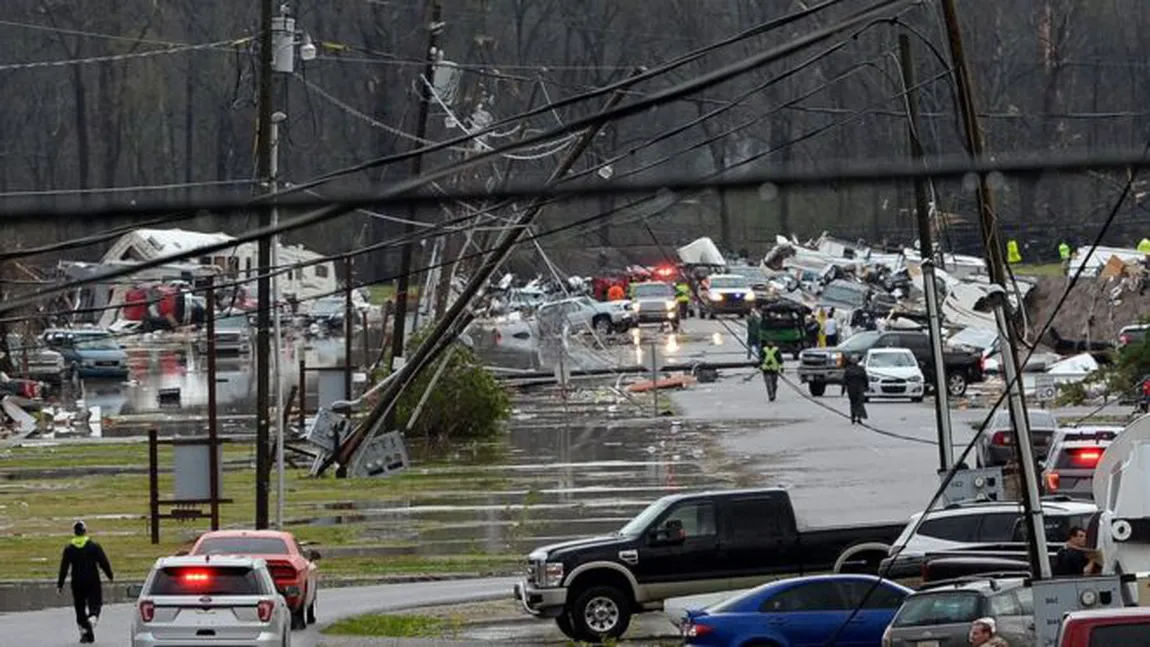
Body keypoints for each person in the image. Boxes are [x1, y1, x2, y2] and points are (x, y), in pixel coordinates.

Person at [58, 521, 114, 644]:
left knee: (79, 607)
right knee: (95, 605)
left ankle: (85, 632)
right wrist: (110, 575)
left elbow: (64, 567)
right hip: (92, 580)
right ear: (85, 531)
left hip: (77, 582)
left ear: (75, 532)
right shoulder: (94, 546)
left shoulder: (69, 548)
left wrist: (60, 584)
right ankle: (92, 620)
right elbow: (103, 562)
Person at [842, 356, 869, 424]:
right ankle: (857, 417)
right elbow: (865, 379)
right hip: (857, 388)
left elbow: (844, 380)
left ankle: (854, 417)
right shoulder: (860, 369)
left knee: (854, 403)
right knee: (858, 403)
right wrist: (866, 387)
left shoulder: (849, 369)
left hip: (853, 389)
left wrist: (843, 389)